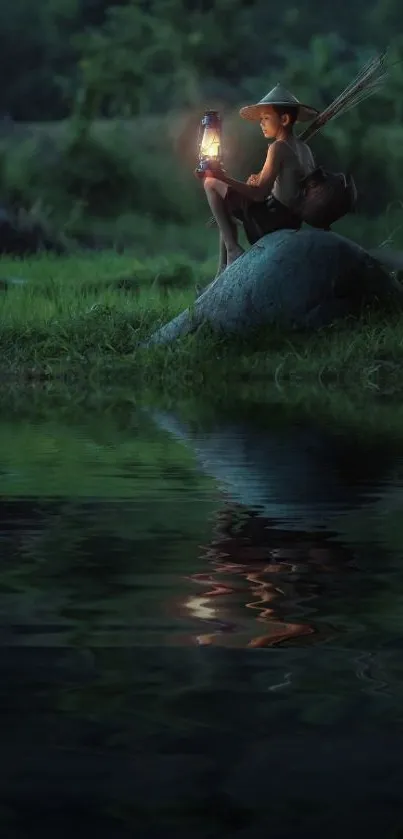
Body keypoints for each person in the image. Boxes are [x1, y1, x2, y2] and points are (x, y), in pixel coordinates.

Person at [199, 84, 319, 278]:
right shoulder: (304, 148)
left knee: (210, 183)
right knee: (226, 222)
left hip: (273, 219)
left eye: (265, 118)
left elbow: (259, 194)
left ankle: (233, 250)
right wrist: (257, 180)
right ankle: (222, 271)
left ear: (285, 119)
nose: (261, 123)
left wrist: (222, 177)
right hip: (292, 220)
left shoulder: (277, 147)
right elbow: (283, 185)